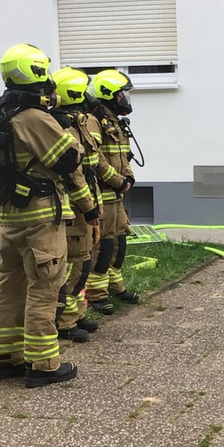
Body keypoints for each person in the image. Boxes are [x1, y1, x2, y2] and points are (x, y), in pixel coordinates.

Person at [0, 43, 92, 388]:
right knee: (44, 286)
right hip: (40, 215)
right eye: (44, 71)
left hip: (10, 215)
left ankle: (4, 356)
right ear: (35, 72)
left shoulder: (2, 113)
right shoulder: (33, 117)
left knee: (10, 285)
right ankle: (44, 363)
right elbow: (69, 158)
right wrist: (59, 126)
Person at [49, 67, 102, 342]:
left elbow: (93, 164)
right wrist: (88, 205)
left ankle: (77, 314)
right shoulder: (64, 127)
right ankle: (65, 322)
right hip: (75, 208)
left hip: (87, 201)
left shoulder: (79, 122)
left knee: (84, 263)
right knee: (75, 266)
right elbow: (74, 173)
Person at [84, 69, 139, 315]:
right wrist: (117, 181)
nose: (125, 99)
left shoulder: (115, 122)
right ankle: (96, 294)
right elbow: (95, 159)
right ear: (108, 95)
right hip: (104, 195)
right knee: (103, 246)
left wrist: (128, 178)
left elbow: (124, 155)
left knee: (120, 243)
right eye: (121, 94)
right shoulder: (93, 121)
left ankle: (116, 285)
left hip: (117, 196)